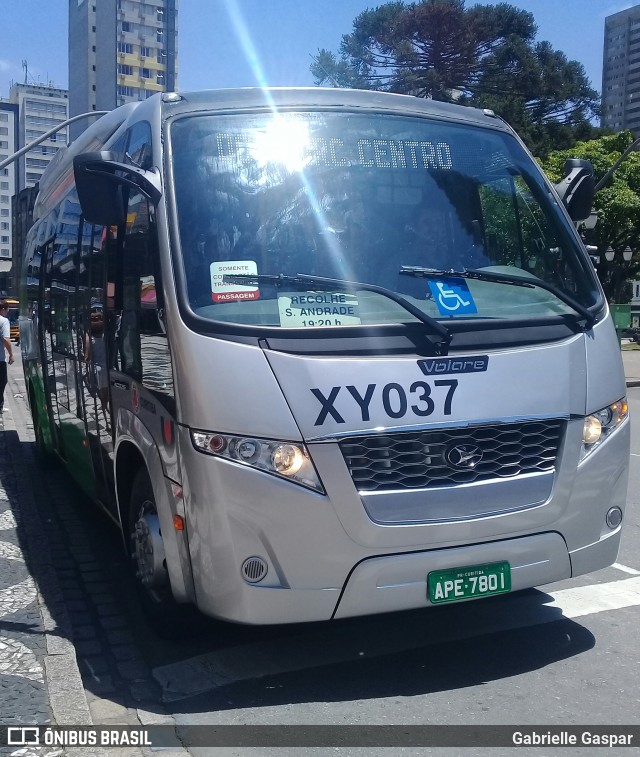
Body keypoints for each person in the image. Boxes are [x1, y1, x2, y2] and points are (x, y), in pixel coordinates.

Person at [0, 300, 15, 414]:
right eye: (7, 309)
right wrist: (11, 354)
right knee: (2, 381)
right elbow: (6, 339)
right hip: (0, 359)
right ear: (3, 309)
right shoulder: (4, 321)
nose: (8, 311)